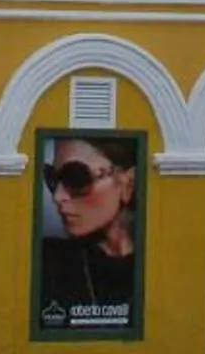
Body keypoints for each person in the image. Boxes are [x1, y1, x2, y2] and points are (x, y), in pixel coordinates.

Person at [36, 134, 138, 328]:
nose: (58, 196)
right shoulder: (47, 261)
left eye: (76, 178)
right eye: (52, 178)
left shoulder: (162, 262)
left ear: (128, 183)